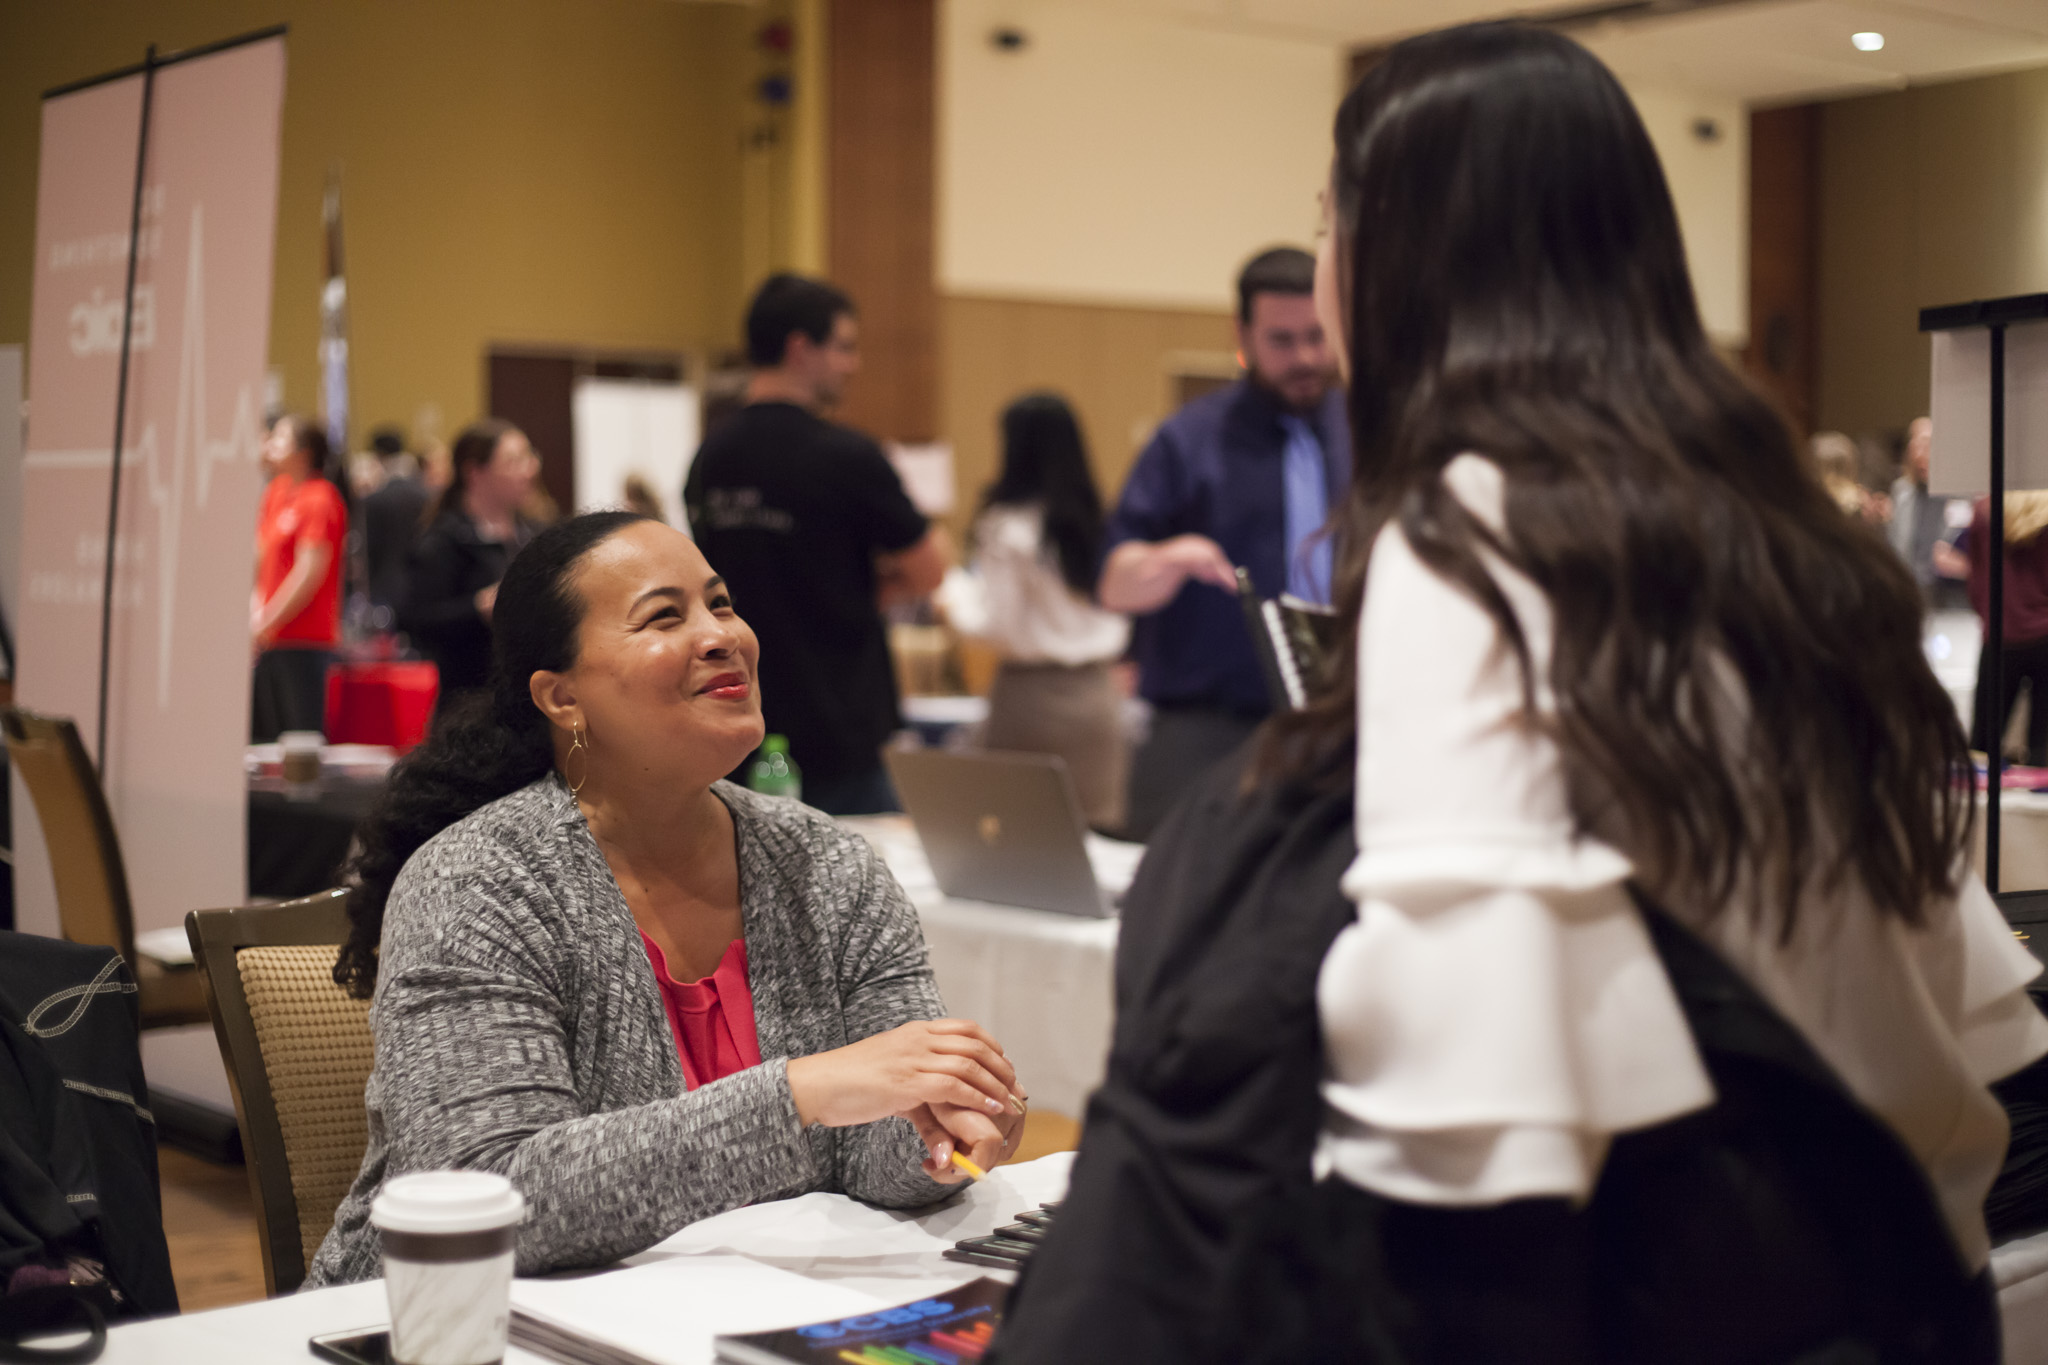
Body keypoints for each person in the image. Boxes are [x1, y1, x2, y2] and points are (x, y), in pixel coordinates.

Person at [1295, 22, 2047, 1354]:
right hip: (1906, 1275)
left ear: (1409, 249)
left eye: (1327, 219)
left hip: (1673, 1297)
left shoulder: (1466, 531)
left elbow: (1460, 1102)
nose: (1320, 269)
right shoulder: (1772, 517)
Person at [306, 512, 1027, 1284]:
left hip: (730, 1310)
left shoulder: (829, 865)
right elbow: (490, 1193)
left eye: (720, 604)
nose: (722, 635)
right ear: (562, 697)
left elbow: (873, 1154)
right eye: (664, 616)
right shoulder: (481, 881)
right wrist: (801, 1091)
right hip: (457, 1326)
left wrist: (941, 1132)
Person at [1098, 248, 1347, 839]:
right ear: (1242, 334)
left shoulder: (1369, 430)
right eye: (1281, 340)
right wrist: (1161, 561)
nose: (1306, 358)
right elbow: (1113, 582)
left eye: (1317, 336)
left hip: (1339, 727)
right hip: (1204, 733)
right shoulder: (1189, 441)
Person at [685, 273, 947, 815]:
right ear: (800, 349)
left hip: (736, 722)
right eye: (845, 347)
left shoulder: (710, 459)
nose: (853, 364)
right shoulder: (846, 456)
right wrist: (860, 591)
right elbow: (930, 569)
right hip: (838, 726)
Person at [944, 394, 1130, 830]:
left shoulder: (1007, 526)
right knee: (1095, 843)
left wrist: (952, 598)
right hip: (1097, 700)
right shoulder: (1101, 523)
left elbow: (997, 626)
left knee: (1020, 842)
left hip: (1030, 700)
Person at [399, 419, 540, 712]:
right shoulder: (444, 539)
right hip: (467, 703)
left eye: (529, 458)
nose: (529, 470)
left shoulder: (531, 535)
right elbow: (415, 620)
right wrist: (477, 608)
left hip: (526, 702)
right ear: (475, 472)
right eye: (514, 461)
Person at [251, 415, 347, 741]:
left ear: (303, 452)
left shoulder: (321, 498)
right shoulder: (276, 493)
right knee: (267, 743)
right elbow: (260, 562)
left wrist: (265, 621)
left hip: (305, 640)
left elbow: (309, 572)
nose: (269, 445)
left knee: (300, 741)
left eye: (280, 439)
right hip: (271, 639)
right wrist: (256, 617)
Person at [1967, 489, 2048, 767]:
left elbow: (1976, 578)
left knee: (1984, 744)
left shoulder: (1984, 513)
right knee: (2043, 746)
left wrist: (1989, 614)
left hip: (2002, 632)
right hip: (2044, 634)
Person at [1890, 415, 1970, 608]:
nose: (1920, 455)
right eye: (1915, 447)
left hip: (1954, 597)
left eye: (1927, 446)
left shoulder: (1964, 494)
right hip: (1910, 593)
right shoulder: (1901, 492)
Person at [359, 424, 430, 618]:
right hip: (422, 585)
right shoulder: (427, 495)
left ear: (379, 455)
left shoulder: (374, 499)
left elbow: (368, 551)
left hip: (384, 586)